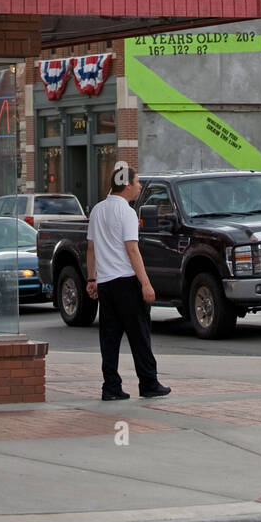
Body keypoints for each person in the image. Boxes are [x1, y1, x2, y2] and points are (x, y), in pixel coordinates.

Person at [86, 162, 171, 401]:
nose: (139, 186)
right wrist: (145, 283)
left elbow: (91, 248)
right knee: (139, 335)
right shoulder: (127, 213)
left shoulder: (97, 210)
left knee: (109, 338)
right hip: (126, 282)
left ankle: (111, 387)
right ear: (126, 185)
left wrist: (91, 278)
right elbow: (132, 249)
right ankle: (149, 383)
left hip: (105, 284)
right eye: (136, 182)